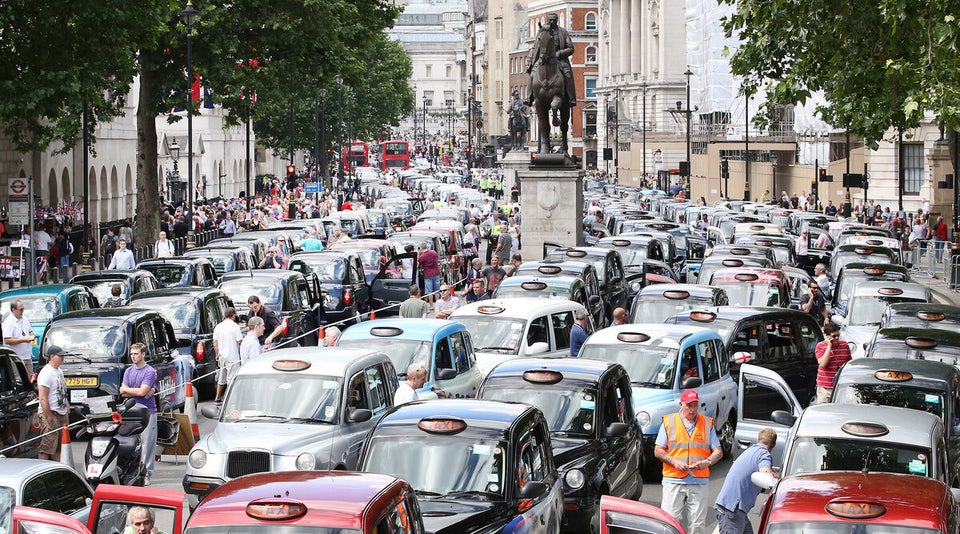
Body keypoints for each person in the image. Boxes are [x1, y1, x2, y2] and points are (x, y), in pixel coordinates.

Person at [654, 389, 723, 534]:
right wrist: (674, 462)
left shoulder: (706, 423)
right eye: (689, 406)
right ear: (681, 404)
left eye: (695, 406)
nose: (692, 410)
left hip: (699, 480)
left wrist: (707, 462)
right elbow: (658, 451)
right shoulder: (669, 422)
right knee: (669, 522)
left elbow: (718, 451)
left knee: (697, 524)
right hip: (673, 479)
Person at [714, 428, 779, 534]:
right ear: (774, 445)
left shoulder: (752, 450)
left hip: (733, 509)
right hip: (732, 511)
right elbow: (765, 472)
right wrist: (781, 478)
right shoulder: (764, 454)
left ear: (758, 439)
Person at [119, 342, 158, 486]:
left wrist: (130, 390)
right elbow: (122, 392)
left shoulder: (149, 371)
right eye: (131, 354)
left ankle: (146, 473)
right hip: (131, 412)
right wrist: (137, 391)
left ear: (143, 354)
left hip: (147, 412)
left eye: (136, 354)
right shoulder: (129, 371)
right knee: (131, 443)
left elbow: (142, 392)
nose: (133, 357)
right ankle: (132, 472)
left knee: (147, 444)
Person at [524, 12, 576, 107]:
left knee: (567, 75)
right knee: (532, 75)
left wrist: (560, 53)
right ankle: (529, 98)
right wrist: (530, 60)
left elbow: (571, 48)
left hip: (559, 60)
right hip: (542, 59)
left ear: (557, 21)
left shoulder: (563, 32)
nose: (552, 22)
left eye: (554, 20)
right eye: (550, 20)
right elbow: (535, 47)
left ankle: (571, 97)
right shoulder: (542, 32)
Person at [37, 345, 69, 461]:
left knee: (59, 446)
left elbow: (62, 390)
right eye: (60, 356)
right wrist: (49, 416)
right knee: (47, 446)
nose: (62, 357)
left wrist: (67, 405)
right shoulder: (46, 373)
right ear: (51, 357)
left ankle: (57, 470)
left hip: (61, 412)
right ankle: (42, 471)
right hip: (51, 413)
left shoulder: (59, 371)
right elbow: (43, 397)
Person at [212, 307, 243, 404]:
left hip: (222, 355)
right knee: (231, 378)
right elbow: (239, 342)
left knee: (222, 377)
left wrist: (217, 354)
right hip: (232, 355)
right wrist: (240, 353)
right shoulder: (235, 327)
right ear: (233, 316)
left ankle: (217, 397)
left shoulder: (218, 326)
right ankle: (230, 399)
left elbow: (215, 342)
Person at [815, 323, 851, 404]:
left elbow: (849, 364)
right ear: (827, 336)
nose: (837, 338)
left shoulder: (844, 345)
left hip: (840, 387)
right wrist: (829, 347)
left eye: (838, 335)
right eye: (834, 336)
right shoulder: (820, 346)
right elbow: (822, 364)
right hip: (825, 388)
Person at [3, 299, 36, 374]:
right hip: (16, 357)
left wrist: (31, 336)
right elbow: (7, 340)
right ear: (13, 310)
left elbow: (30, 331)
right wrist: (23, 340)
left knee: (30, 379)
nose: (22, 311)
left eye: (23, 309)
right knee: (20, 381)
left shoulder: (25, 319)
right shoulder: (8, 322)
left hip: (27, 355)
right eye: (20, 309)